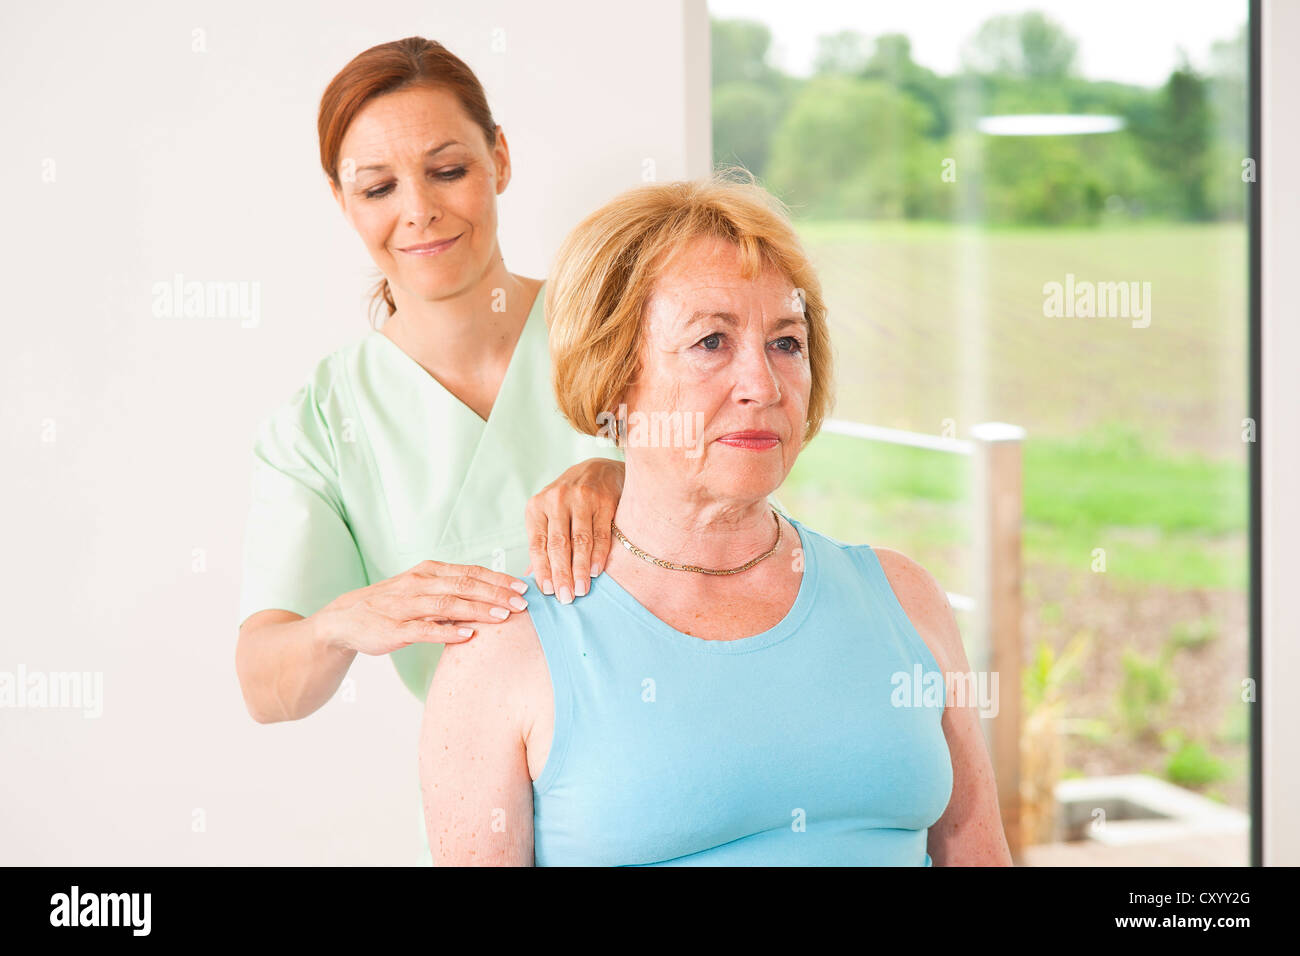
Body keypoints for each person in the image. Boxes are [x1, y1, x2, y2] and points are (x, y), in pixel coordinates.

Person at [418, 173, 1014, 865]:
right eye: (711, 342)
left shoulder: (906, 599)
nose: (762, 385)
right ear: (613, 375)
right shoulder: (503, 654)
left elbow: (978, 850)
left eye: (786, 343)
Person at [234, 37, 626, 865]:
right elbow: (265, 685)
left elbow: (749, 491)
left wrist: (636, 474)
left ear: (501, 159)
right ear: (343, 200)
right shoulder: (321, 422)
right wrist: (342, 621)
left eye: (447, 170)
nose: (418, 210)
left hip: (695, 772)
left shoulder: (619, 329)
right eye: (377, 186)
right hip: (489, 821)